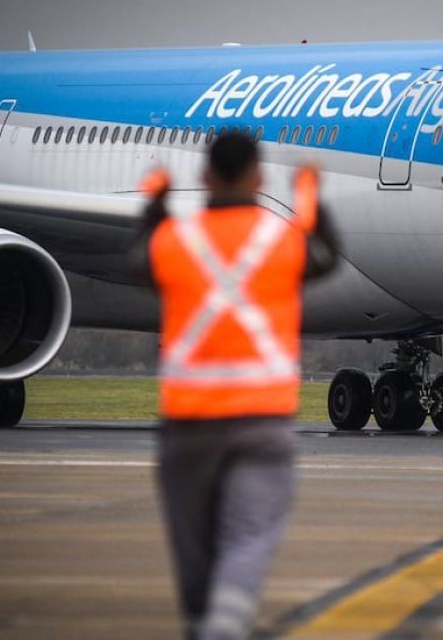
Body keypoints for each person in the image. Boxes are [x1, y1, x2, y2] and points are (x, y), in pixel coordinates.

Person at [140, 132, 338, 640]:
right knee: (247, 539)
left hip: (187, 428)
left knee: (194, 551)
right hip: (261, 423)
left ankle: (205, 624)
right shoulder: (281, 240)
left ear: (204, 177)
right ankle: (224, 627)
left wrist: (155, 201)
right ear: (260, 177)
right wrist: (310, 194)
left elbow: (136, 259)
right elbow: (325, 254)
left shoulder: (175, 240)